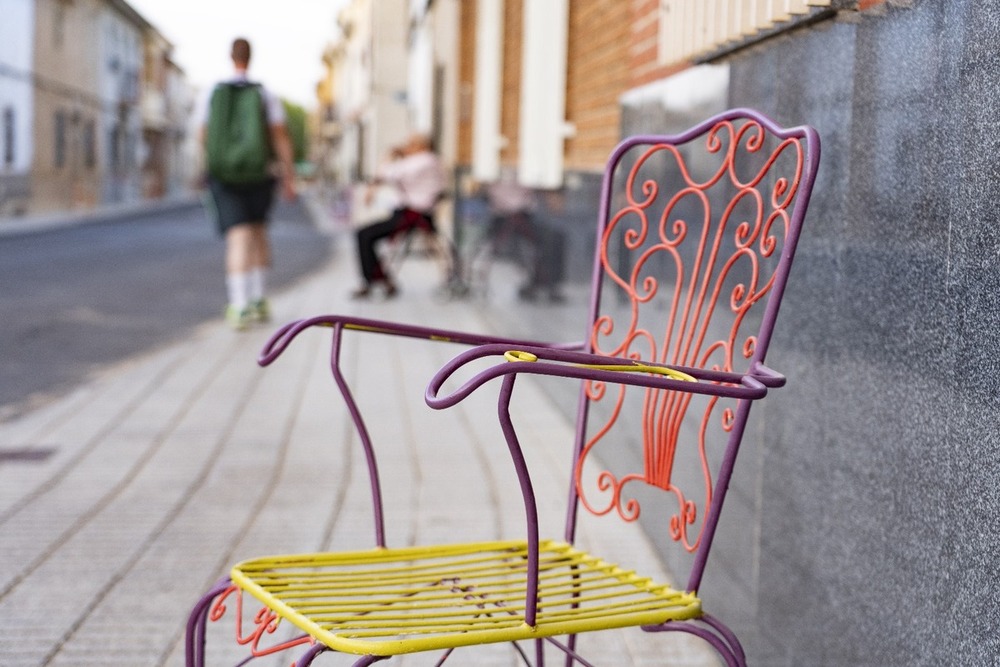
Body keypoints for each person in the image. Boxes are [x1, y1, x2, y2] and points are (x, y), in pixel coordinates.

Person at [199, 37, 295, 330]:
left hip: (225, 175)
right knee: (258, 232)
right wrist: (288, 176)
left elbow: (202, 134)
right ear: (250, 57)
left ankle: (238, 305)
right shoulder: (264, 93)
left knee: (237, 237)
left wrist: (214, 164)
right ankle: (257, 298)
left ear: (231, 57)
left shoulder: (212, 92)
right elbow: (279, 136)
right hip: (259, 173)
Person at [352, 134, 446, 298]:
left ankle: (375, 280)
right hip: (408, 212)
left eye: (411, 143)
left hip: (413, 215)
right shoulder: (422, 161)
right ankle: (378, 279)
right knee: (365, 234)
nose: (406, 147)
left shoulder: (426, 160)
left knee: (365, 235)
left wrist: (389, 156)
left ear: (421, 146)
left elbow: (388, 173)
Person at [483, 172, 565, 302]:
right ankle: (540, 283)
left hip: (524, 216)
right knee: (531, 247)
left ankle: (544, 283)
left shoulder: (528, 168)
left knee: (552, 239)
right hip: (506, 218)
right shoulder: (498, 168)